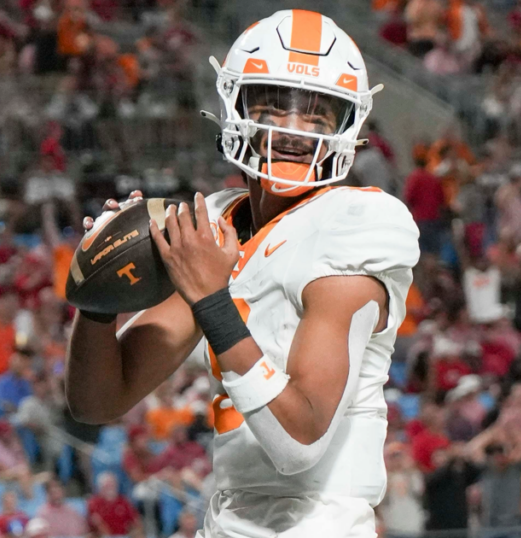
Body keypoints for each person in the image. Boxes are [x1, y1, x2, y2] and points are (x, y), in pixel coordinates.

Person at [66, 10, 420, 537]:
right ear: (236, 107)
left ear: (348, 127)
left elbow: (299, 442)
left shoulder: (355, 225)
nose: (295, 132)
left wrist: (211, 298)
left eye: (318, 117)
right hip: (229, 520)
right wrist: (98, 300)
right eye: (275, 109)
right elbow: (97, 401)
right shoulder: (220, 223)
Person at [87, 472, 141, 537]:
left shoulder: (124, 501)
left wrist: (136, 533)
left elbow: (135, 522)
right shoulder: (94, 502)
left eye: (112, 484)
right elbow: (97, 523)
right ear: (100, 487)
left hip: (123, 535)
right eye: (107, 485)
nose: (110, 488)